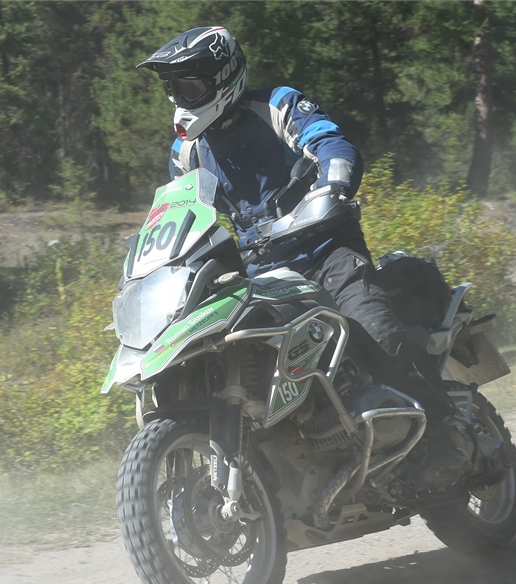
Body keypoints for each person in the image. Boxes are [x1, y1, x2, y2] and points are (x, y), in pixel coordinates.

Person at [137, 26, 475, 487]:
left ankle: (444, 435)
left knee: (374, 332)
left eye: (189, 86)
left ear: (223, 77)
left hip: (326, 249)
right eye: (173, 88)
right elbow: (180, 211)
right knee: (227, 355)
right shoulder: (186, 151)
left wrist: (333, 183)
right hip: (262, 274)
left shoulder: (277, 105)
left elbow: (330, 143)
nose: (180, 99)